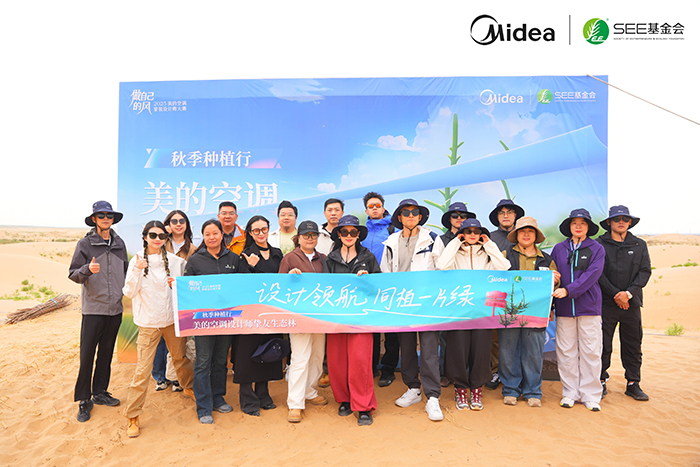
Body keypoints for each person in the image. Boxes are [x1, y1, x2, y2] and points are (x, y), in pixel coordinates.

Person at [122, 221, 194, 438]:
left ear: (166, 238)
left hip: (171, 320)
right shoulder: (137, 260)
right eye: (153, 235)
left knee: (180, 358)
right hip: (148, 324)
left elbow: (187, 285)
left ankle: (189, 388)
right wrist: (137, 270)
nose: (157, 239)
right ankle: (133, 415)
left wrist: (177, 284)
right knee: (143, 370)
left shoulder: (175, 261)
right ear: (145, 236)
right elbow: (129, 292)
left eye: (162, 236)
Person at [436, 218, 510, 411]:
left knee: (480, 350)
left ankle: (476, 389)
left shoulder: (487, 255)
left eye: (476, 232)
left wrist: (489, 244)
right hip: (459, 310)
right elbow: (442, 265)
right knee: (458, 351)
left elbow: (504, 267)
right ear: (461, 234)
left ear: (482, 234)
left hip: (481, 311)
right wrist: (456, 241)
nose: (472, 235)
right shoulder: (454, 253)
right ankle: (460, 388)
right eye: (467, 231)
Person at [381, 199, 443, 421]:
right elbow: (386, 272)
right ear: (399, 217)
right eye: (405, 212)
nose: (410, 215)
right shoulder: (391, 241)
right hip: (402, 303)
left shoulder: (433, 238)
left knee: (429, 349)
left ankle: (433, 396)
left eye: (414, 212)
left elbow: (442, 270)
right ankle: (413, 389)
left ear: (420, 216)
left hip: (427, 304)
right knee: (406, 348)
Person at [184, 219, 251, 424]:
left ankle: (218, 398)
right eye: (207, 234)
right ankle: (204, 406)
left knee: (221, 360)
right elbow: (187, 289)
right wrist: (176, 286)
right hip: (203, 320)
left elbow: (242, 285)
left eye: (215, 233)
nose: (212, 237)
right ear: (203, 237)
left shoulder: (234, 258)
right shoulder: (195, 260)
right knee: (203, 362)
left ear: (222, 235)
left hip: (228, 319)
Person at [69, 201, 128, 423]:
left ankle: (100, 392)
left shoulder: (119, 243)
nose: (105, 219)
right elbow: (73, 274)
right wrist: (87, 269)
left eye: (109, 215)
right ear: (94, 219)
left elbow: (126, 272)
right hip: (93, 308)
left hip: (115, 309)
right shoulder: (85, 244)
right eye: (101, 215)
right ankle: (84, 400)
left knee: (106, 352)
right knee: (87, 355)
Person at [323, 215, 380, 426]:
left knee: (360, 361)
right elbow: (324, 287)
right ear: (338, 234)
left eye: (353, 232)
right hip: (337, 317)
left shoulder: (368, 257)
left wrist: (368, 280)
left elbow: (379, 285)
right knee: (337, 362)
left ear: (358, 235)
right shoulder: (330, 259)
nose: (349, 235)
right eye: (344, 232)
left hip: (361, 318)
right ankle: (344, 400)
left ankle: (363, 406)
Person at [499, 217, 560, 408]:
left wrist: (556, 281)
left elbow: (554, 287)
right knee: (508, 351)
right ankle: (510, 389)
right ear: (516, 235)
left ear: (536, 235)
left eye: (530, 231)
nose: (526, 234)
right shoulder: (505, 255)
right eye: (522, 231)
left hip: (536, 313)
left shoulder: (547, 259)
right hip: (509, 312)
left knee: (533, 353)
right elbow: (494, 277)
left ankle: (533, 391)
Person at [551, 208, 606, 412]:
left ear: (588, 227)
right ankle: (570, 392)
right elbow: (552, 272)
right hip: (564, 308)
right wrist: (553, 280)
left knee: (591, 351)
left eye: (583, 223)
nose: (578, 226)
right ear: (569, 226)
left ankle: (591, 395)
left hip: (589, 307)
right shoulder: (559, 248)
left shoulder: (597, 248)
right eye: (575, 223)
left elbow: (592, 275)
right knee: (566, 351)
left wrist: (569, 290)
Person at [597, 206, 651, 401]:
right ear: (609, 222)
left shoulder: (639, 244)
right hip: (606, 303)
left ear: (629, 222)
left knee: (633, 344)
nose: (621, 222)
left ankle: (633, 383)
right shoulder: (599, 244)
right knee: (602, 344)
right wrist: (616, 294)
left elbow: (645, 271)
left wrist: (627, 294)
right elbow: (598, 273)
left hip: (632, 303)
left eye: (625, 219)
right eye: (616, 219)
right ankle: (600, 380)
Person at [234, 215, 285, 416]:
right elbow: (241, 286)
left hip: (272, 312)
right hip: (250, 314)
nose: (261, 233)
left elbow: (282, 280)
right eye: (256, 230)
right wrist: (251, 267)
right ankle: (248, 399)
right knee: (247, 355)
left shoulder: (277, 253)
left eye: (264, 229)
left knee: (268, 351)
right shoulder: (244, 255)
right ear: (250, 232)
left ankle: (263, 394)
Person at [279, 220, 328, 423]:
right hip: (298, 317)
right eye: (306, 235)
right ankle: (295, 403)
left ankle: (309, 391)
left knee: (317, 355)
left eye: (313, 235)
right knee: (300, 358)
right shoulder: (289, 258)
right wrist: (289, 277)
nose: (310, 238)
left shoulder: (323, 258)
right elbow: (280, 286)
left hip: (320, 316)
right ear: (298, 238)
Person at [151, 210, 198, 392]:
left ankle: (177, 378)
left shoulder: (192, 249)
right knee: (160, 341)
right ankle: (160, 377)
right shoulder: (161, 242)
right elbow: (150, 254)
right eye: (174, 221)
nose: (178, 224)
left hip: (181, 300)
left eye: (182, 221)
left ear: (187, 225)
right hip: (159, 298)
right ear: (168, 224)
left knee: (177, 342)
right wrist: (164, 234)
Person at [432, 202, 475, 388]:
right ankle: (444, 373)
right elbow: (438, 265)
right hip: (447, 293)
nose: (459, 219)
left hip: (470, 294)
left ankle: (468, 373)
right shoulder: (441, 240)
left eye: (463, 216)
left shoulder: (474, 238)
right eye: (455, 216)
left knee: (469, 336)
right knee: (445, 337)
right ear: (449, 219)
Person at [485, 198, 526, 391]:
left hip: (521, 293)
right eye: (502, 212)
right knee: (495, 336)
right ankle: (495, 372)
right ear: (497, 217)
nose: (506, 215)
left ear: (516, 215)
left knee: (520, 335)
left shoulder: (525, 235)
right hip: (497, 292)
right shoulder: (490, 238)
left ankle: (519, 374)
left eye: (510, 212)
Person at [361, 191, 397, 387]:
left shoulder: (394, 229)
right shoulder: (361, 232)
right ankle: (371, 366)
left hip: (390, 286)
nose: (374, 208)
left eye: (378, 205)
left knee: (390, 331)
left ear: (383, 208)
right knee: (371, 330)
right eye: (370, 206)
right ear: (366, 210)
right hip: (368, 286)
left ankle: (388, 369)